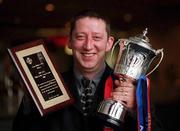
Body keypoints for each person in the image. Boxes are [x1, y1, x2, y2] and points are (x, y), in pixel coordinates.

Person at [11, 10, 163, 131]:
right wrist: (29, 103)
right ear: (69, 41)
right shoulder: (47, 85)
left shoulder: (135, 90)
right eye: (81, 37)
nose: (88, 46)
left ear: (109, 43)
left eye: (96, 37)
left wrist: (136, 111)